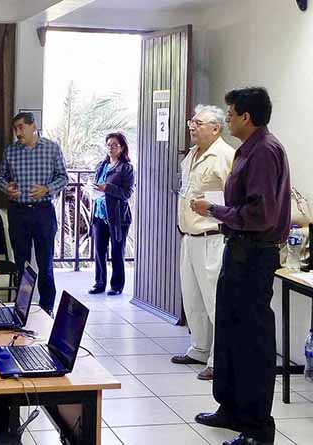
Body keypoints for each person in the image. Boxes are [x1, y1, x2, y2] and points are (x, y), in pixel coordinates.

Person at [192, 87, 290, 445]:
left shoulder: (264, 151)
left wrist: (214, 210)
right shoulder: (249, 149)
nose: (228, 120)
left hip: (254, 255)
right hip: (238, 250)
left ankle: (257, 426)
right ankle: (231, 408)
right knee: (230, 334)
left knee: (251, 342)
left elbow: (260, 214)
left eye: (231, 114)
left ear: (247, 117)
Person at [171, 105, 235, 381]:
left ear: (215, 128)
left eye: (198, 123)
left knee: (215, 302)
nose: (192, 126)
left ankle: (219, 360)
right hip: (190, 236)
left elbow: (234, 199)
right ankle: (199, 348)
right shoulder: (192, 154)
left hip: (213, 237)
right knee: (192, 297)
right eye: (192, 122)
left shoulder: (226, 156)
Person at [0, 111, 68, 314]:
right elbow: (0, 178)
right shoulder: (11, 151)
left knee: (46, 264)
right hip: (18, 212)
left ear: (33, 126)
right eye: (15, 129)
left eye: (21, 128)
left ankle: (47, 308)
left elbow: (63, 177)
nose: (18, 133)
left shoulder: (52, 148)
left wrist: (47, 189)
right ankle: (22, 308)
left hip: (43, 212)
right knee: (21, 263)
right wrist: (7, 188)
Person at [88, 132, 135, 296]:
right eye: (109, 145)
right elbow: (97, 185)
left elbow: (127, 193)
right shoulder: (102, 165)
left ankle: (116, 286)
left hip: (118, 217)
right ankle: (99, 283)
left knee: (117, 251)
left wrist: (107, 188)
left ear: (122, 148)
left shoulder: (126, 168)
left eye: (115, 145)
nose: (111, 148)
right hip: (99, 213)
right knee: (99, 250)